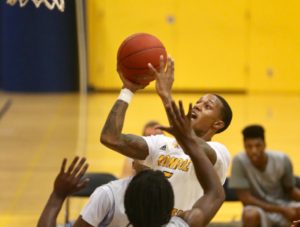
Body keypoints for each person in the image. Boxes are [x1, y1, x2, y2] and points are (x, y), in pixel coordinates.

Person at [37, 100, 225, 227]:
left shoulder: (109, 196)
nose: (199, 105)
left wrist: (57, 196)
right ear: (169, 208)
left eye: (206, 105)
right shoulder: (179, 223)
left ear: (127, 203)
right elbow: (215, 194)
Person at [100, 55, 233, 214]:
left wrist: (166, 97)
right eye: (198, 102)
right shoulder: (161, 143)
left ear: (217, 124)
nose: (197, 106)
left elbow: (191, 146)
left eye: (207, 106)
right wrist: (127, 91)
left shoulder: (219, 153)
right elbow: (111, 138)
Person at [228, 124, 300, 227]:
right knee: (250, 215)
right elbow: (246, 199)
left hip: (285, 205)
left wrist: (285, 208)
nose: (254, 151)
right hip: (259, 209)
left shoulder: (283, 159)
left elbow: (290, 190)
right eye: (249, 146)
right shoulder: (239, 161)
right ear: (244, 146)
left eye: (258, 145)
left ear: (264, 144)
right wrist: (281, 210)